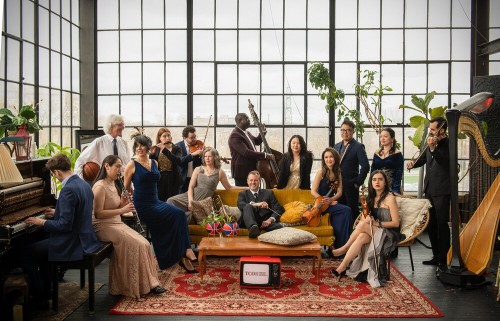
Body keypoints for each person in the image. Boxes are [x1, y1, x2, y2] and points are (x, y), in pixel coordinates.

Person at [23, 154, 102, 309]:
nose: (54, 177)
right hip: (85, 237)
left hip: (72, 242)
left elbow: (64, 226)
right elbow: (77, 211)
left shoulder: (68, 190)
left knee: (27, 253)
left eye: (53, 174)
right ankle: (49, 288)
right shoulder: (83, 183)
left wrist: (42, 222)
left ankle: (40, 299)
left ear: (57, 172)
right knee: (42, 249)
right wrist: (57, 211)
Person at [92, 155, 166, 298]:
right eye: (117, 166)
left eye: (121, 166)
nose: (120, 170)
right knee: (137, 244)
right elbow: (98, 214)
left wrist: (123, 202)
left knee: (144, 243)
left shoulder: (113, 183)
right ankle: (134, 285)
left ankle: (151, 283)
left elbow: (116, 207)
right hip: (102, 226)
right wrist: (122, 210)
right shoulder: (100, 186)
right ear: (107, 166)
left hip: (115, 223)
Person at [124, 135, 197, 273]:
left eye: (142, 145)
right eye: (137, 145)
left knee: (180, 215)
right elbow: (125, 189)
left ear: (148, 147)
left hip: (155, 201)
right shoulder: (131, 165)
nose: (139, 148)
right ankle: (183, 253)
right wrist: (126, 207)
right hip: (143, 205)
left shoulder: (154, 163)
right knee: (171, 219)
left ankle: (185, 251)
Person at [331, 170, 402, 288]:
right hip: (374, 230)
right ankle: (341, 268)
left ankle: (343, 248)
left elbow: (395, 223)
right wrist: (367, 217)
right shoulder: (371, 197)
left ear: (385, 182)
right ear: (371, 182)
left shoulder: (390, 198)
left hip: (388, 233)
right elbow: (366, 218)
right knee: (361, 236)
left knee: (363, 225)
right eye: (374, 180)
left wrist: (377, 223)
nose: (377, 182)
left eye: (380, 179)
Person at [407, 117, 450, 273]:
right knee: (431, 224)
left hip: (443, 190)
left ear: (442, 130)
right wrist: (413, 164)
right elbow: (423, 159)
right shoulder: (431, 143)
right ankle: (436, 255)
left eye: (432, 129)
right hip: (430, 189)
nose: (429, 132)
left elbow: (445, 162)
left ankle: (445, 258)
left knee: (441, 224)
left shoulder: (448, 144)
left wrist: (433, 149)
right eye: (430, 129)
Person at [167, 147, 246, 220]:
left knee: (189, 214)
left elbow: (229, 187)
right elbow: (191, 187)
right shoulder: (198, 169)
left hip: (203, 201)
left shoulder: (220, 172)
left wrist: (247, 188)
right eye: (205, 156)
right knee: (170, 201)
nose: (207, 159)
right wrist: (191, 201)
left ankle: (179, 224)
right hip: (190, 197)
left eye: (209, 156)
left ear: (215, 158)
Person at [311, 147, 352, 250]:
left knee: (346, 212)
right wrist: (323, 200)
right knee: (346, 210)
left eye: (331, 157)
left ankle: (341, 247)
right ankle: (340, 247)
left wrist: (331, 200)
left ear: (335, 158)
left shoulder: (338, 172)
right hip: (319, 205)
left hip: (330, 203)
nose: (328, 159)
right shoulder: (321, 172)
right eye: (326, 157)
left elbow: (339, 192)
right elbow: (313, 191)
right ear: (323, 159)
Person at [334, 119, 370, 223]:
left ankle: (353, 234)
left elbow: (365, 166)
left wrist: (357, 183)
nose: (345, 132)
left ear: (353, 131)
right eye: (342, 130)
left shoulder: (358, 146)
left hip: (351, 185)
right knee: (339, 210)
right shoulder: (336, 146)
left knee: (352, 211)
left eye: (348, 130)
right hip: (338, 185)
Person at [75, 114, 131, 179]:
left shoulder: (124, 143)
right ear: (111, 126)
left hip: (122, 182)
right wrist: (81, 181)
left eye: (123, 125)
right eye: (119, 125)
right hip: (105, 181)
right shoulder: (99, 142)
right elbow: (80, 161)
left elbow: (128, 165)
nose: (123, 127)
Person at [228, 113, 274, 186]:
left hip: (250, 170)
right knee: (244, 194)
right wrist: (265, 155)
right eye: (247, 119)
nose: (249, 120)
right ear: (240, 121)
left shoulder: (246, 133)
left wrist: (263, 131)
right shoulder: (235, 135)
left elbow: (257, 141)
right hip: (242, 173)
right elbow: (246, 152)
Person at [237, 171, 285, 238]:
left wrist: (269, 220)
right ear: (247, 181)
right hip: (247, 222)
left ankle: (256, 229)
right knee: (247, 206)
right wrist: (257, 204)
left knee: (279, 227)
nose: (253, 182)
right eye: (251, 180)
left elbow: (279, 209)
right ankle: (253, 227)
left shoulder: (269, 193)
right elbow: (241, 205)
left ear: (259, 181)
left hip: (263, 223)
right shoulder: (242, 194)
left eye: (255, 180)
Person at [150, 128, 182, 201]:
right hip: (160, 179)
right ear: (159, 138)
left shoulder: (177, 148)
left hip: (173, 179)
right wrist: (151, 154)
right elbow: (152, 164)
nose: (167, 138)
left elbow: (178, 160)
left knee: (171, 201)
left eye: (169, 135)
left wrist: (164, 150)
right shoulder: (157, 149)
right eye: (164, 136)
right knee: (160, 201)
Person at [370, 128, 404, 193]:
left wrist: (395, 190)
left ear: (392, 139)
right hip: (377, 187)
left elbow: (399, 173)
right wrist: (371, 187)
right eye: (381, 136)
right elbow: (372, 171)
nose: (382, 139)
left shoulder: (397, 154)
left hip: (391, 187)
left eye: (385, 136)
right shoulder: (376, 153)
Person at [176, 125, 203, 193]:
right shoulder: (177, 146)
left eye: (195, 137)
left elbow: (202, 163)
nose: (194, 140)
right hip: (182, 179)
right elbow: (179, 161)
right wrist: (192, 154)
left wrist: (203, 155)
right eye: (191, 138)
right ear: (184, 138)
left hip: (195, 179)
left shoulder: (199, 146)